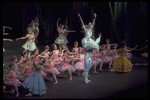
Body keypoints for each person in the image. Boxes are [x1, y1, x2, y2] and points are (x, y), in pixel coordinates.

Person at [78, 13, 102, 83]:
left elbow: (93, 22)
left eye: (90, 24)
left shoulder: (91, 29)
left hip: (90, 51)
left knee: (88, 67)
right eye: (89, 24)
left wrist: (95, 17)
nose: (90, 24)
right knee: (86, 67)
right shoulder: (86, 29)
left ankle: (86, 77)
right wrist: (80, 17)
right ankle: (85, 79)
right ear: (88, 25)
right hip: (86, 40)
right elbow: (82, 22)